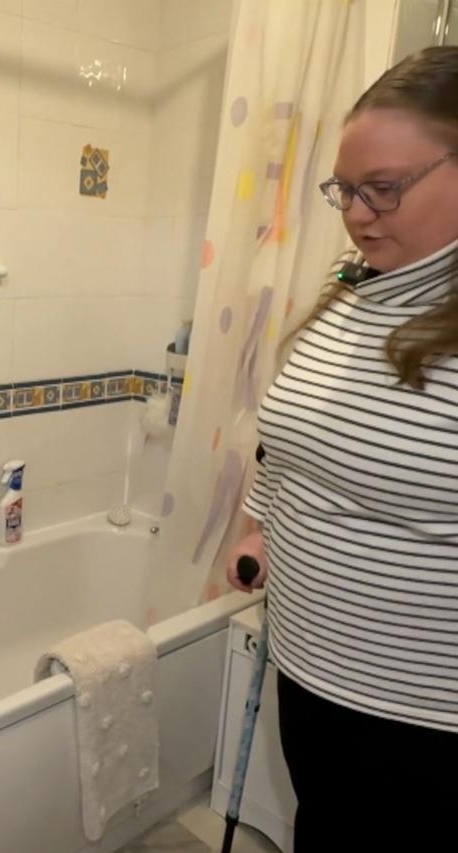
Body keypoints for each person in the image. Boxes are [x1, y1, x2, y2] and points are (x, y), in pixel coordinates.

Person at [227, 46, 458, 851]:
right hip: (308, 667)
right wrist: (257, 524)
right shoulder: (351, 284)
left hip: (423, 714)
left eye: (384, 188)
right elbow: (293, 438)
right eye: (346, 191)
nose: (358, 214)